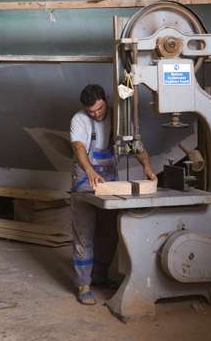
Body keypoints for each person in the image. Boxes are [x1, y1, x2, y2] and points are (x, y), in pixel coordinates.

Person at [70, 84, 156, 305]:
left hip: (110, 182)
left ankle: (100, 277)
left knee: (109, 234)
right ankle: (83, 285)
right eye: (91, 112)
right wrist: (90, 173)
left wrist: (146, 166)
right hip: (84, 182)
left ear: (105, 100)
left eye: (99, 109)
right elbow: (79, 147)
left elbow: (136, 143)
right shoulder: (79, 120)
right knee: (84, 235)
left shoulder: (119, 117)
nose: (96, 114)